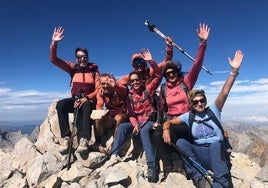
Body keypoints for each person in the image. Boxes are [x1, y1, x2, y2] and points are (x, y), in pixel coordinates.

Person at [163, 50, 243, 188]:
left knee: (216, 145)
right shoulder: (189, 116)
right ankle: (199, 177)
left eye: (202, 100)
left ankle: (221, 182)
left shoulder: (214, 110)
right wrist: (165, 129)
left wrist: (233, 72)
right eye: (195, 102)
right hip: (200, 152)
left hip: (217, 151)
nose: (200, 103)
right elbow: (169, 121)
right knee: (182, 142)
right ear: (191, 104)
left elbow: (224, 92)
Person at [152, 23, 210, 177]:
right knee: (156, 134)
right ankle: (169, 167)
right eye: (168, 73)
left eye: (173, 72)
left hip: (187, 119)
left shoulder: (187, 82)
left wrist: (202, 43)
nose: (171, 75)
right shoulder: (164, 89)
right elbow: (162, 108)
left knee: (171, 133)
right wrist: (159, 122)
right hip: (171, 119)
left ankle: (181, 164)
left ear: (178, 72)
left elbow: (197, 65)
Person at [110, 49, 162, 183]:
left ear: (140, 80)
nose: (134, 83)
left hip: (149, 121)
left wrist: (151, 61)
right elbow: (132, 115)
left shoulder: (148, 90)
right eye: (132, 81)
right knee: (122, 127)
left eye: (137, 80)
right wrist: (134, 125)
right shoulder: (129, 97)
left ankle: (152, 165)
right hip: (138, 121)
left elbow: (158, 76)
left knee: (144, 132)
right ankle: (114, 154)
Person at [50, 27, 101, 153]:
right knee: (61, 105)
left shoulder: (94, 71)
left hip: (88, 100)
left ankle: (84, 139)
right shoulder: (73, 68)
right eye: (79, 57)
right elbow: (54, 60)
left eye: (84, 57)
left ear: (87, 58)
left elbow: (99, 89)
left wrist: (86, 98)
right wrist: (54, 43)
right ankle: (67, 138)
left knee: (87, 106)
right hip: (75, 100)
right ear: (76, 58)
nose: (82, 59)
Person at [93, 73, 129, 154]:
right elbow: (99, 105)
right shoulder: (101, 92)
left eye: (107, 83)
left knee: (118, 118)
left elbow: (124, 91)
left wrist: (114, 85)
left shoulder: (118, 88)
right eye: (103, 84)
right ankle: (98, 142)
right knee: (98, 116)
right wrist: (99, 115)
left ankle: (115, 144)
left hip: (122, 115)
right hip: (111, 117)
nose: (105, 86)